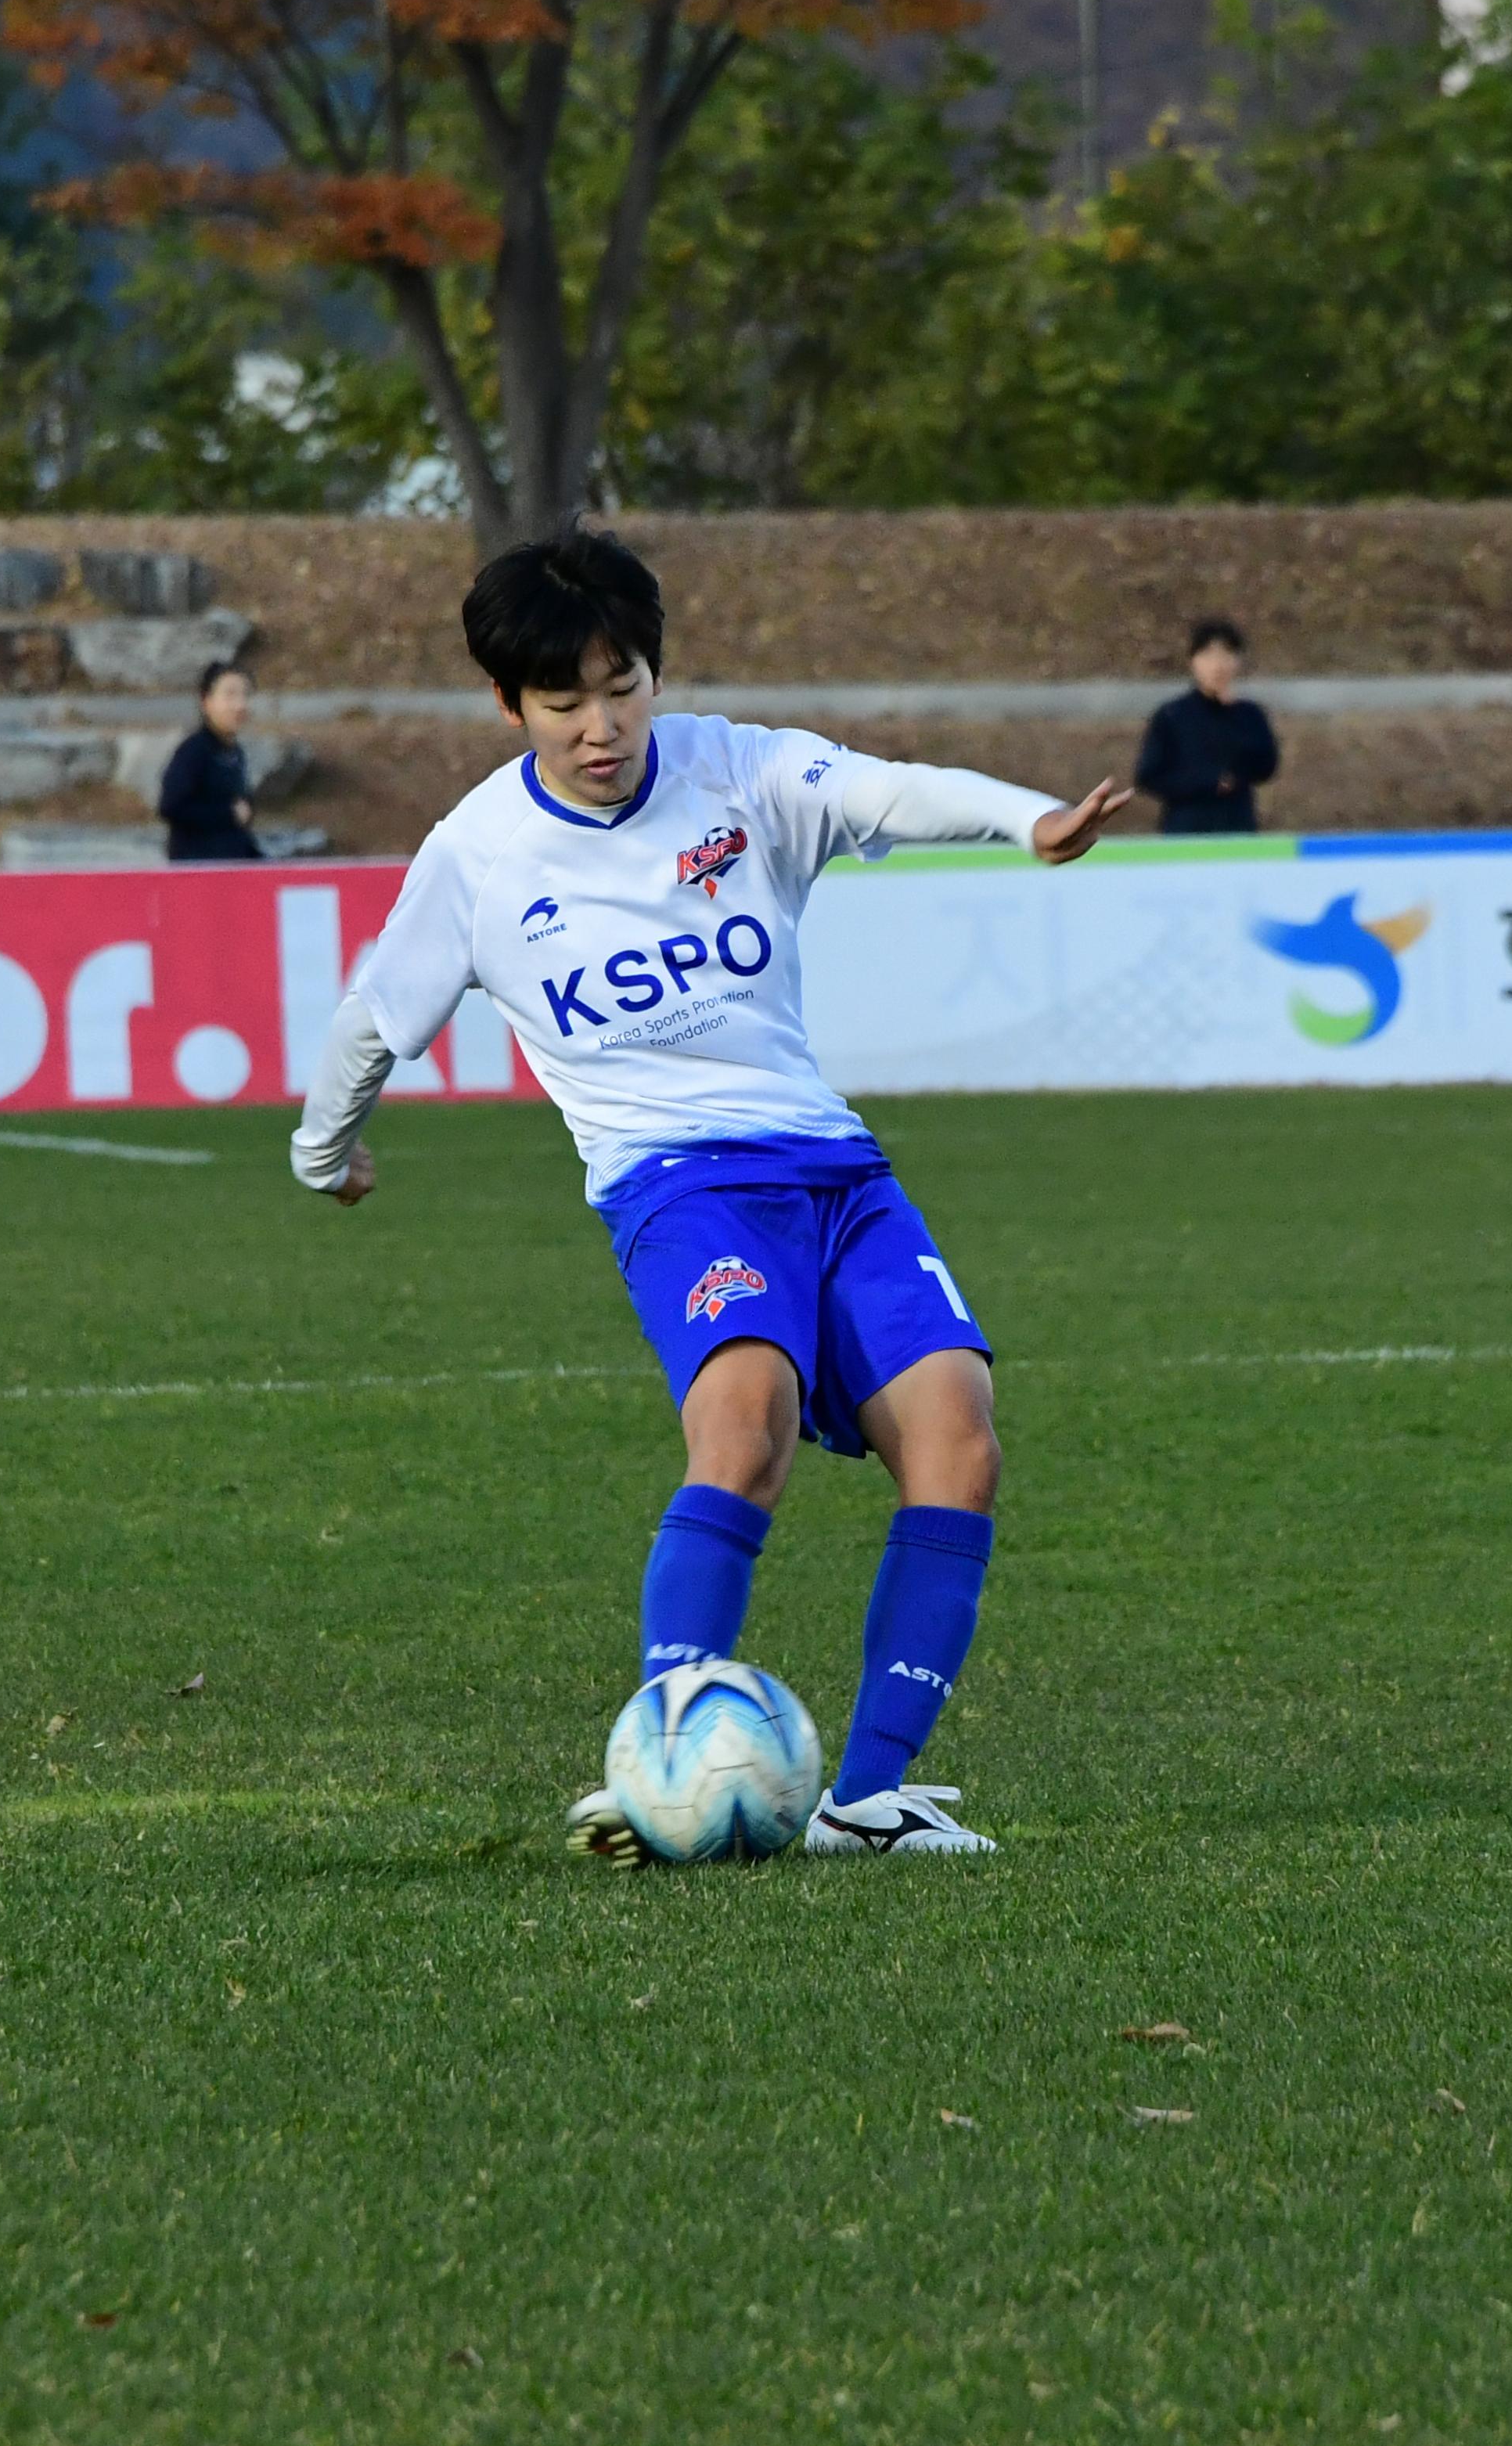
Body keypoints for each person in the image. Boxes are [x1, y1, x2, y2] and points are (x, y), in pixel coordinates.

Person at [293, 530, 1129, 1860]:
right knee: (745, 1419)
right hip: (676, 1184)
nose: (599, 725)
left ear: (652, 676)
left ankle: (864, 1802)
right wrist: (323, 1151)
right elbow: (369, 1025)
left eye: (620, 687)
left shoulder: (738, 769)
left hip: (832, 1167)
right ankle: (658, 1763)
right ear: (509, 705)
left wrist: (1025, 817)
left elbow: (888, 790)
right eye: (563, 702)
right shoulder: (478, 855)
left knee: (959, 1438)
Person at [1132, 618, 1276, 834]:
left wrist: (1233, 717)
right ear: (1193, 661)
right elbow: (1148, 776)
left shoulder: (1249, 714)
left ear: (1238, 661)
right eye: (1208, 656)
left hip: (1238, 829)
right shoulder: (1172, 715)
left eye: (1226, 655)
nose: (1218, 666)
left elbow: (1266, 766)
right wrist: (1208, 783)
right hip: (1185, 831)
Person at [160, 659, 268, 861]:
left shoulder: (236, 753)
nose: (240, 705)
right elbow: (171, 806)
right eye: (230, 695)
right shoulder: (194, 751)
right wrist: (226, 813)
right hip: (201, 872)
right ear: (206, 702)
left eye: (246, 695)